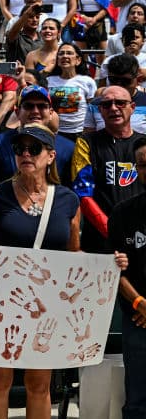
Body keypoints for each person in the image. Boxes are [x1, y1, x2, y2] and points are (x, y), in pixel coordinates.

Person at [0, 125, 115, 419]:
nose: (25, 154)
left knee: (39, 384)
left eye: (34, 149)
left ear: (51, 156)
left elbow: (73, 253)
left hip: (47, 304)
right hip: (4, 301)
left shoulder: (68, 200)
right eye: (19, 149)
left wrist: (107, 265)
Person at [72, 86, 143, 254]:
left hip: (141, 237)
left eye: (120, 103)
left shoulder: (144, 144)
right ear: (100, 110)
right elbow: (83, 195)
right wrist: (113, 233)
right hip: (100, 240)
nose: (113, 108)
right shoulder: (86, 142)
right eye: (106, 104)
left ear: (132, 107)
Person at [108, 136, 146, 419]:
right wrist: (139, 302)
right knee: (137, 403)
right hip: (138, 318)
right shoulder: (122, 213)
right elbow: (113, 269)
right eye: (143, 165)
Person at [46, 44, 96, 139]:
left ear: (78, 60)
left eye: (69, 53)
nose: (65, 56)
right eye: (61, 54)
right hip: (55, 133)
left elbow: (92, 109)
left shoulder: (87, 81)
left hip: (81, 133)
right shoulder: (49, 81)